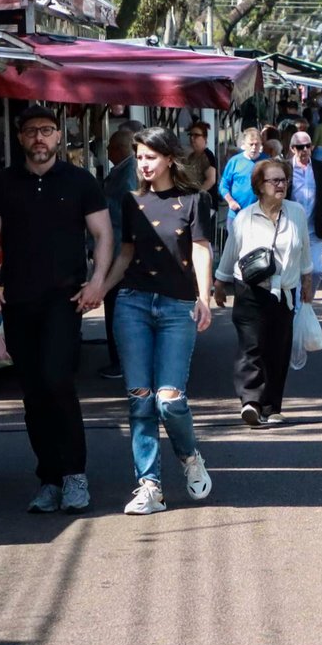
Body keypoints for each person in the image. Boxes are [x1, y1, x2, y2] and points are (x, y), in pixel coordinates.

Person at [0, 105, 111, 515]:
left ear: (59, 136)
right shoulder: (2, 183)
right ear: (20, 137)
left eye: (48, 130)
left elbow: (103, 233)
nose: (40, 138)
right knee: (33, 392)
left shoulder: (80, 181)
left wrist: (98, 280)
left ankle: (74, 475)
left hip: (64, 299)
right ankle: (48, 478)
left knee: (57, 380)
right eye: (32, 131)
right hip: (18, 299)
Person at [99, 128, 216, 516]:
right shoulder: (132, 201)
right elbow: (125, 252)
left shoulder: (195, 200)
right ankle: (150, 486)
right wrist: (98, 289)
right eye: (139, 157)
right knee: (140, 400)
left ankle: (189, 455)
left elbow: (201, 249)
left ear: (169, 158)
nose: (144, 164)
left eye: (151, 157)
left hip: (176, 306)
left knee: (169, 400)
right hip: (132, 303)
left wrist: (204, 297)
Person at [215, 158, 312, 427]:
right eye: (274, 180)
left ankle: (272, 406)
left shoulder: (297, 212)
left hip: (285, 291)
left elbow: (303, 247)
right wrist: (220, 282)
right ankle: (251, 403)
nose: (281, 185)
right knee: (251, 347)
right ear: (260, 185)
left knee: (278, 350)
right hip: (250, 290)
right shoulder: (245, 217)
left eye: (284, 180)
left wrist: (307, 280)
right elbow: (231, 252)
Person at [99, 127, 139, 381]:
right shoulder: (124, 172)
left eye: (110, 148)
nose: (107, 152)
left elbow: (121, 216)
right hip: (118, 248)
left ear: (119, 149)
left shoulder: (126, 175)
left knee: (116, 306)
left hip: (118, 250)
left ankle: (120, 361)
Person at [286, 130, 322, 279]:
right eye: (300, 147)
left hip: (315, 228)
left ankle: (305, 301)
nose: (305, 150)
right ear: (292, 149)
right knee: (294, 270)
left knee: (316, 271)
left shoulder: (321, 168)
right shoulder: (285, 168)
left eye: (308, 146)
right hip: (290, 228)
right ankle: (299, 303)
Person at [219, 128, 264, 226]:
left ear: (261, 144)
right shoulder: (234, 162)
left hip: (260, 216)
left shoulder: (266, 161)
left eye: (257, 144)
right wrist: (230, 201)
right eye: (251, 144)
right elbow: (223, 185)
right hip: (236, 214)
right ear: (244, 144)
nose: (254, 148)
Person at [185, 120, 218, 192]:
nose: (192, 138)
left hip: (205, 199)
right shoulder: (191, 156)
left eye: (196, 135)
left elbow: (211, 180)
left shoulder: (208, 155)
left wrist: (196, 195)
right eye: (190, 135)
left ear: (205, 138)